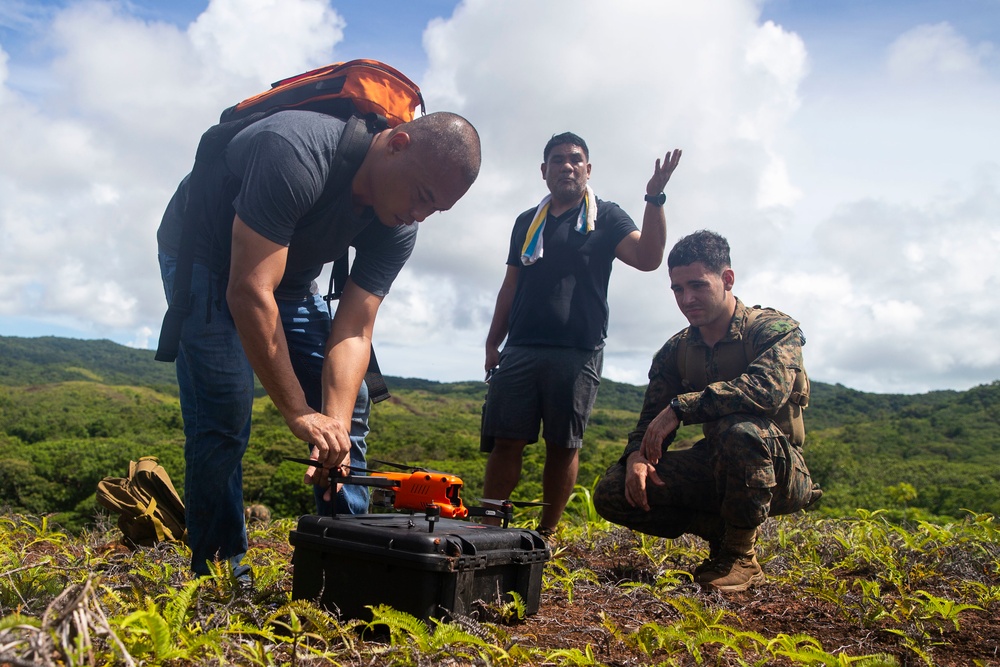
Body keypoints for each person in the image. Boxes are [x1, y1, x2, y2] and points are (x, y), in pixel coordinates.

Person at [156, 109, 481, 579]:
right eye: (423, 196)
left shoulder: (399, 225)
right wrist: (298, 411)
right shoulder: (294, 150)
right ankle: (220, 573)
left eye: (436, 210)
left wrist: (334, 431)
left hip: (286, 279)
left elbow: (353, 331)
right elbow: (247, 290)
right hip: (207, 259)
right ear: (397, 144)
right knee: (224, 411)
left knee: (352, 409)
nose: (420, 214)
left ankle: (349, 557)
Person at [480, 132, 682, 541]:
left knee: (563, 445)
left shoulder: (606, 217)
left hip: (578, 353)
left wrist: (655, 199)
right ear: (544, 171)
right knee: (506, 441)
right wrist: (492, 341)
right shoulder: (526, 222)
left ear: (588, 170)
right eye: (557, 160)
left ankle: (547, 533)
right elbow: (509, 286)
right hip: (520, 348)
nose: (566, 166)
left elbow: (648, 258)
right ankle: (486, 525)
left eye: (575, 159)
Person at [593, 230, 819, 592]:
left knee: (739, 430)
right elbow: (649, 419)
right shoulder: (677, 350)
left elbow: (766, 391)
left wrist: (681, 409)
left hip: (779, 470)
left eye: (697, 285)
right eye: (678, 289)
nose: (687, 298)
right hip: (717, 463)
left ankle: (741, 555)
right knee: (613, 490)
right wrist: (638, 456)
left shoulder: (773, 330)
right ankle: (723, 534)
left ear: (727, 279)